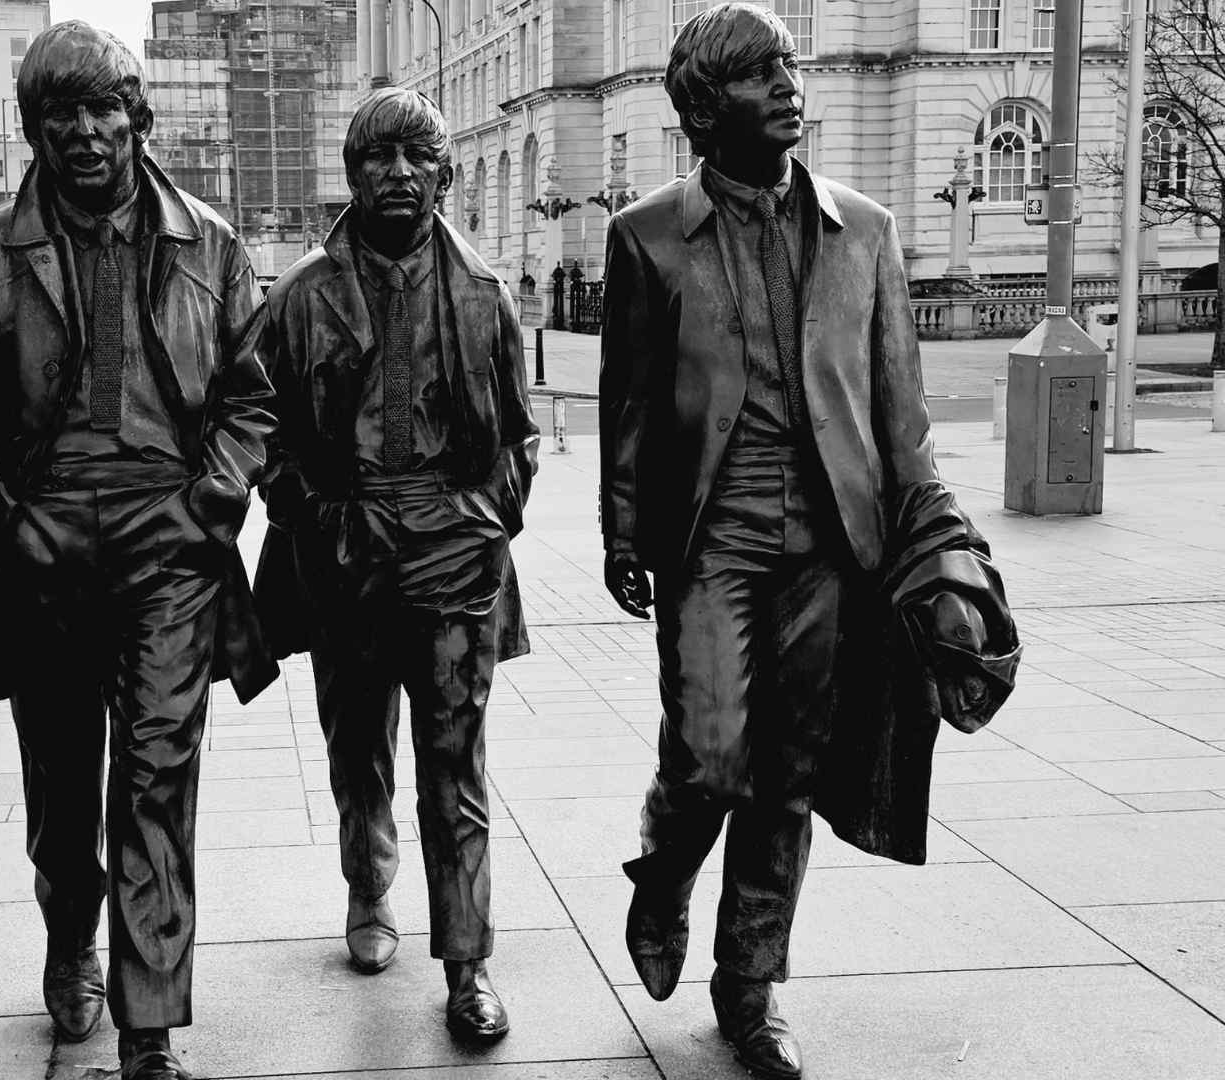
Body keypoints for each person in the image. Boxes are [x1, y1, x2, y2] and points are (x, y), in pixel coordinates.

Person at [598, 6, 1018, 1079]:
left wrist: (940, 547)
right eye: (758, 73)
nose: (790, 82)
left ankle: (751, 988)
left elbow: (900, 416)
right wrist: (621, 532)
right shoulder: (647, 235)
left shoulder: (865, 232)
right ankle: (664, 870)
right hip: (710, 536)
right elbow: (632, 402)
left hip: (833, 543)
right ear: (705, 107)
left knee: (785, 772)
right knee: (708, 755)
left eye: (788, 63)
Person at [0, 21, 276, 1080]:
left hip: (168, 543)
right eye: (59, 114)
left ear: (139, 117)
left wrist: (206, 502)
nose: (83, 132)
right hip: (40, 544)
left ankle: (150, 1020)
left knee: (158, 779)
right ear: (34, 128)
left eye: (103, 109)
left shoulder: (209, 242)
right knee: (64, 784)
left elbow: (254, 402)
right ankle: (70, 936)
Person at [249, 86, 538, 1044]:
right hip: (346, 553)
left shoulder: (486, 296)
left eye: (418, 158)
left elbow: (519, 442)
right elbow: (260, 434)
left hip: (452, 557)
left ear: (446, 174)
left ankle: (468, 964)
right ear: (352, 175)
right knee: (356, 747)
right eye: (377, 159)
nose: (399, 175)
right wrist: (315, 517)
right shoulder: (296, 299)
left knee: (455, 766)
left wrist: (486, 517)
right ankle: (369, 889)